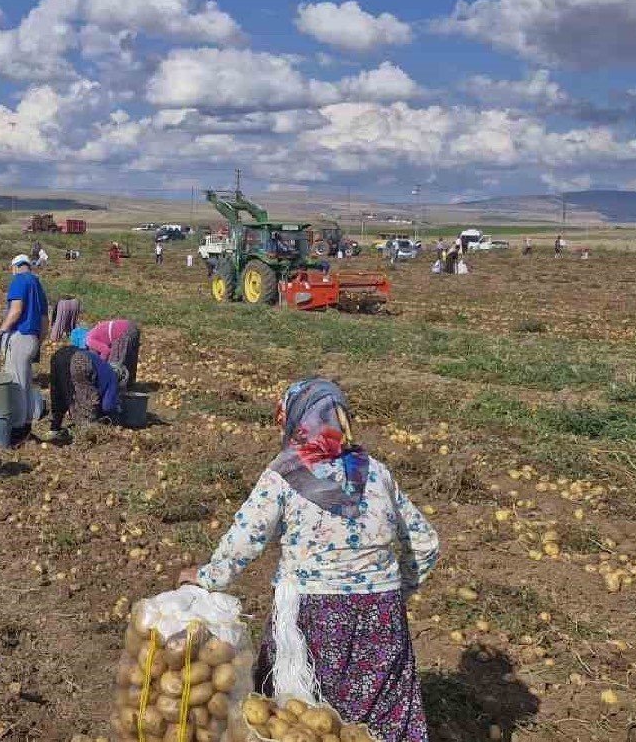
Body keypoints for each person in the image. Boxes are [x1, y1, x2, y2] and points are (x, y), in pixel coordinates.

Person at [185, 379, 439, 742]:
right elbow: (426, 544)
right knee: (376, 723)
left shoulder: (286, 474)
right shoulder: (377, 473)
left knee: (300, 718)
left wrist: (208, 578)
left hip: (313, 616)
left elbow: (247, 537)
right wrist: (394, 593)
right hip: (381, 615)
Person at [0, 254, 48, 434]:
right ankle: (26, 423)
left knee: (16, 384)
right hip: (32, 338)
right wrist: (37, 342)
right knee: (25, 382)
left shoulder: (19, 280)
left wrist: (1, 331)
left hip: (20, 336)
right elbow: (44, 319)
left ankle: (18, 428)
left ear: (15, 267)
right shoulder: (37, 283)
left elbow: (16, 310)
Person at [44, 327, 121, 438]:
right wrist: (115, 413)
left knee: (58, 391)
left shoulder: (104, 367)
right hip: (79, 359)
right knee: (86, 397)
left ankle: (55, 428)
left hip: (60, 354)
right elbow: (107, 405)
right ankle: (84, 432)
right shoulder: (113, 378)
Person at [84, 318, 141, 386]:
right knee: (129, 361)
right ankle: (130, 385)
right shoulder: (93, 333)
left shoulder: (89, 341)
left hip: (121, 332)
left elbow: (105, 351)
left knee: (114, 366)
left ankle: (116, 389)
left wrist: (101, 365)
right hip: (131, 327)